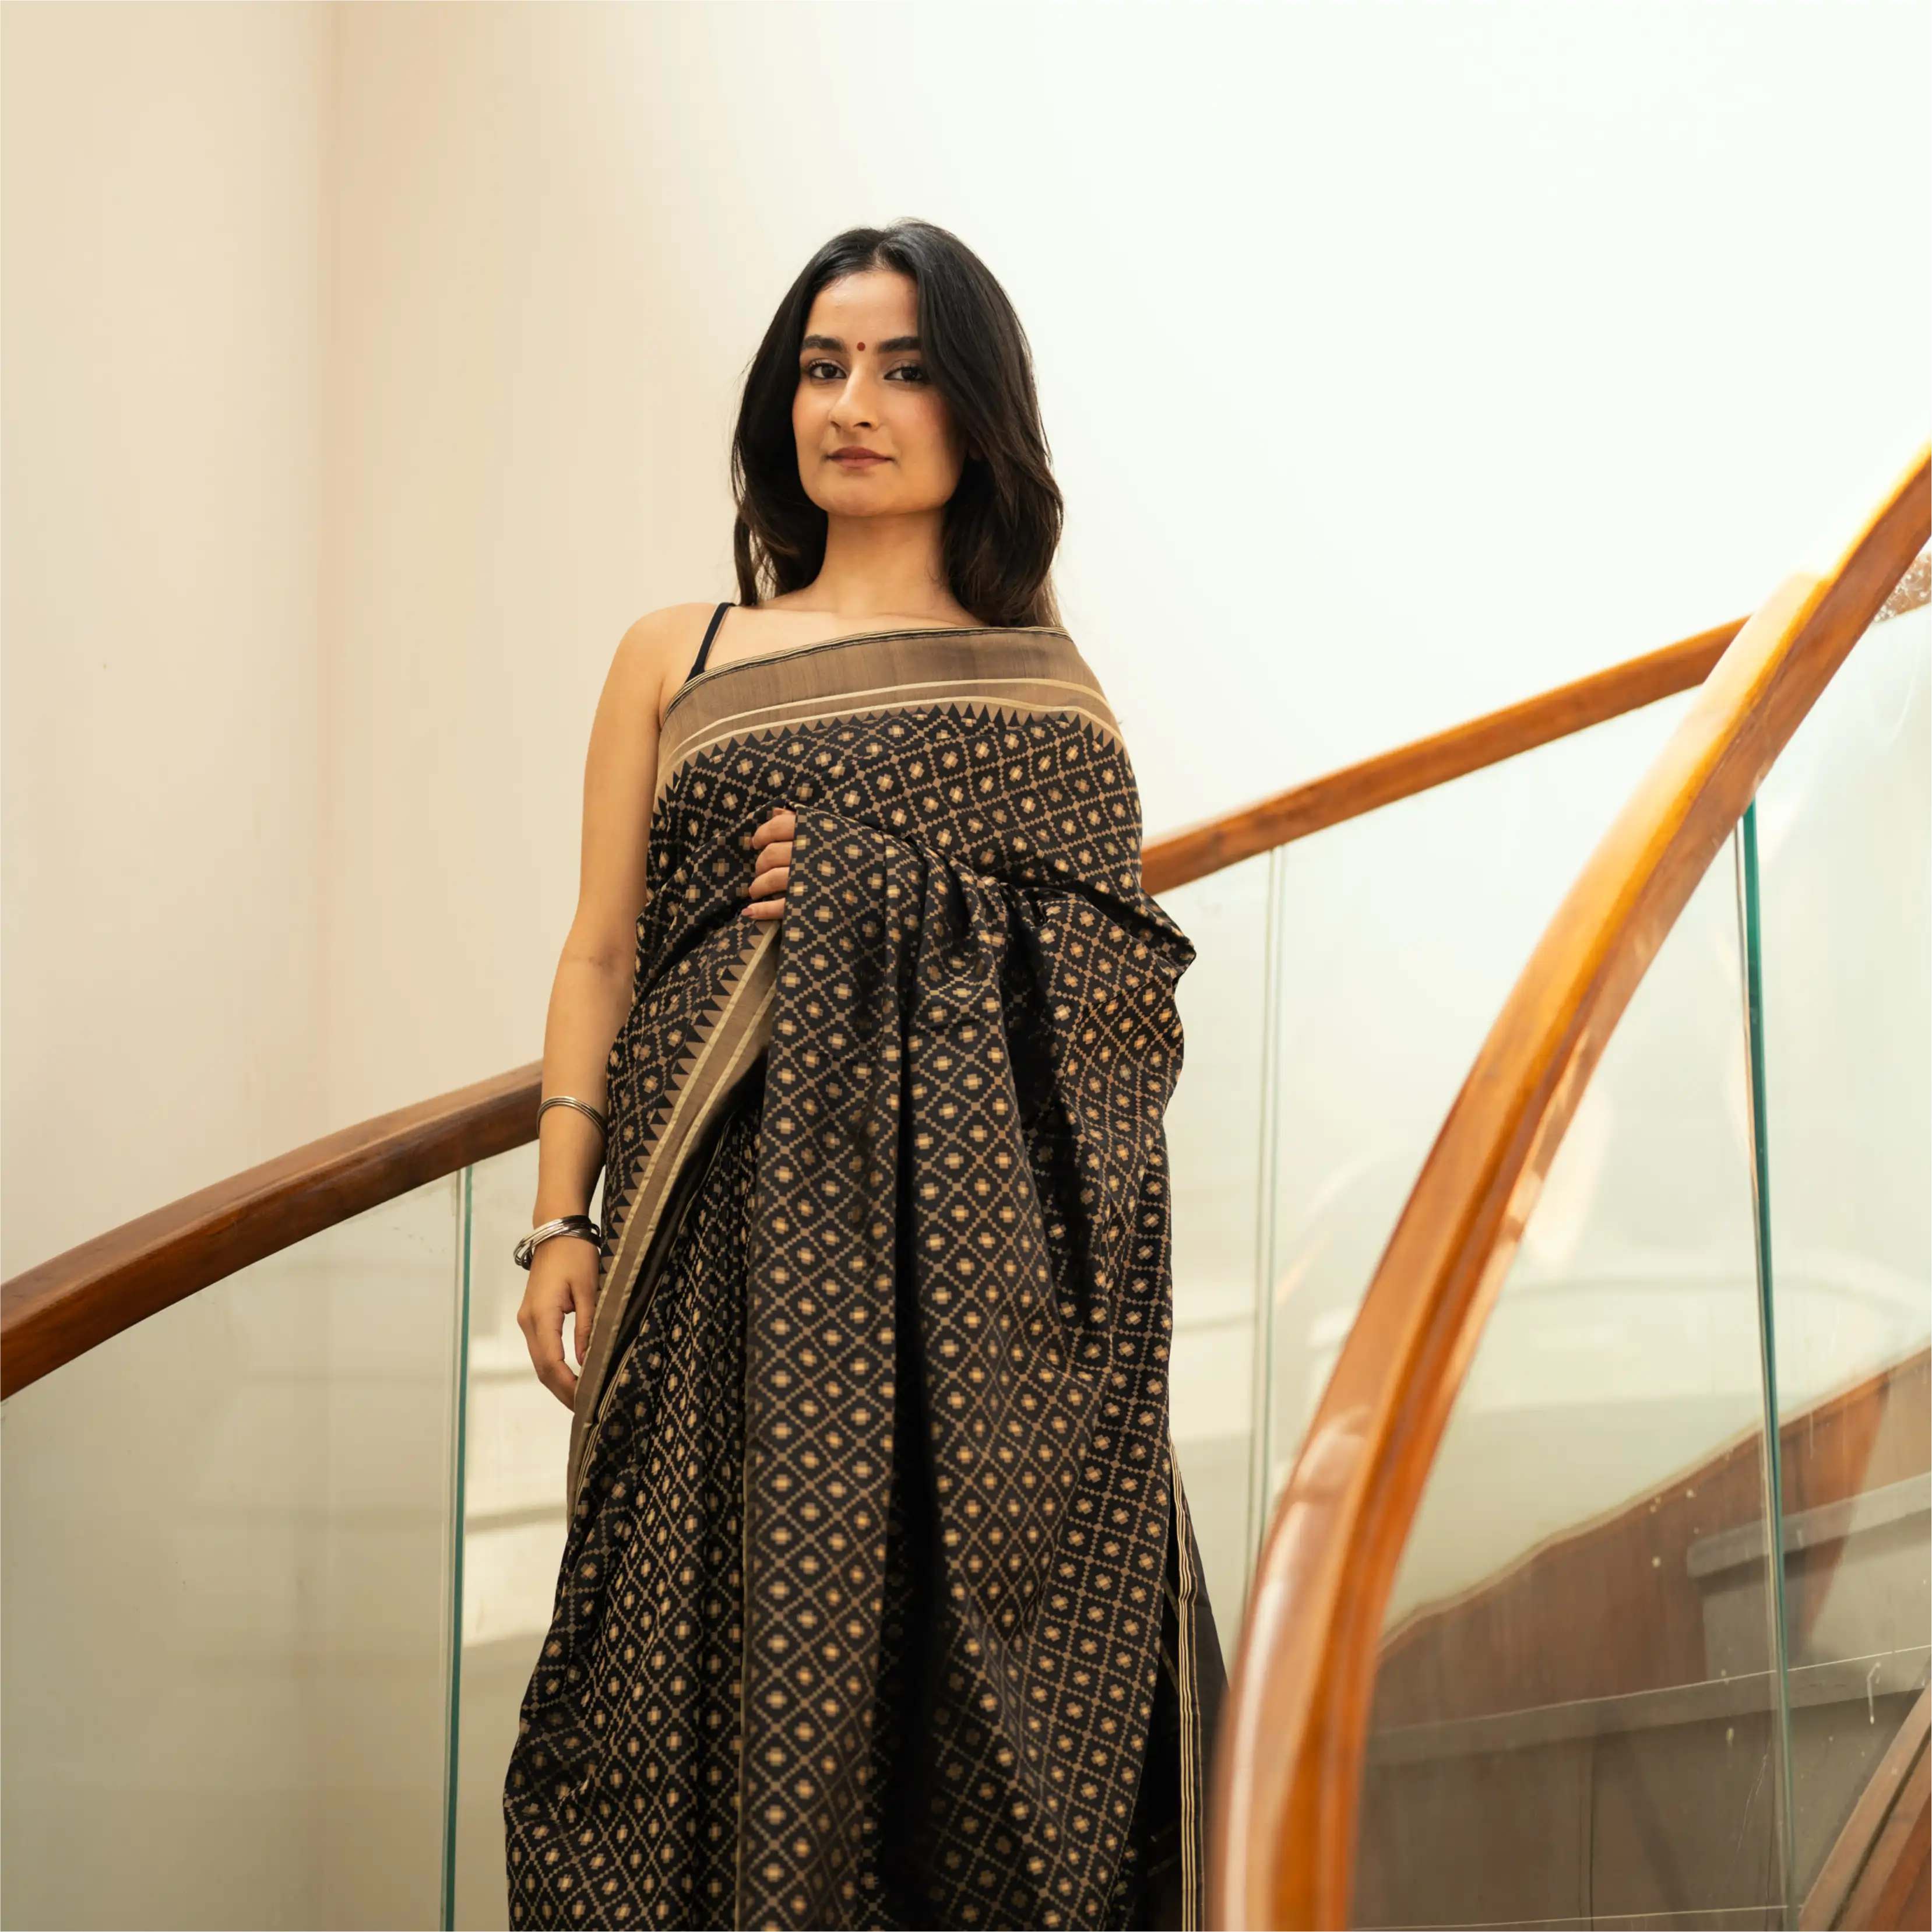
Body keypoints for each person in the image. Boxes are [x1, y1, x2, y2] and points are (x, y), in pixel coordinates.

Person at [505, 219, 1220, 1932]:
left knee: (908, 1712)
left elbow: (1121, 1012)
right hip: (708, 1255)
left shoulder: (1050, 702)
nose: (855, 402)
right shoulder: (673, 656)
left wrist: (866, 889)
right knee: (657, 1672)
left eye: (904, 368)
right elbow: (601, 950)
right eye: (823, 366)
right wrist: (556, 1219)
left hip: (951, 1324)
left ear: (978, 414)